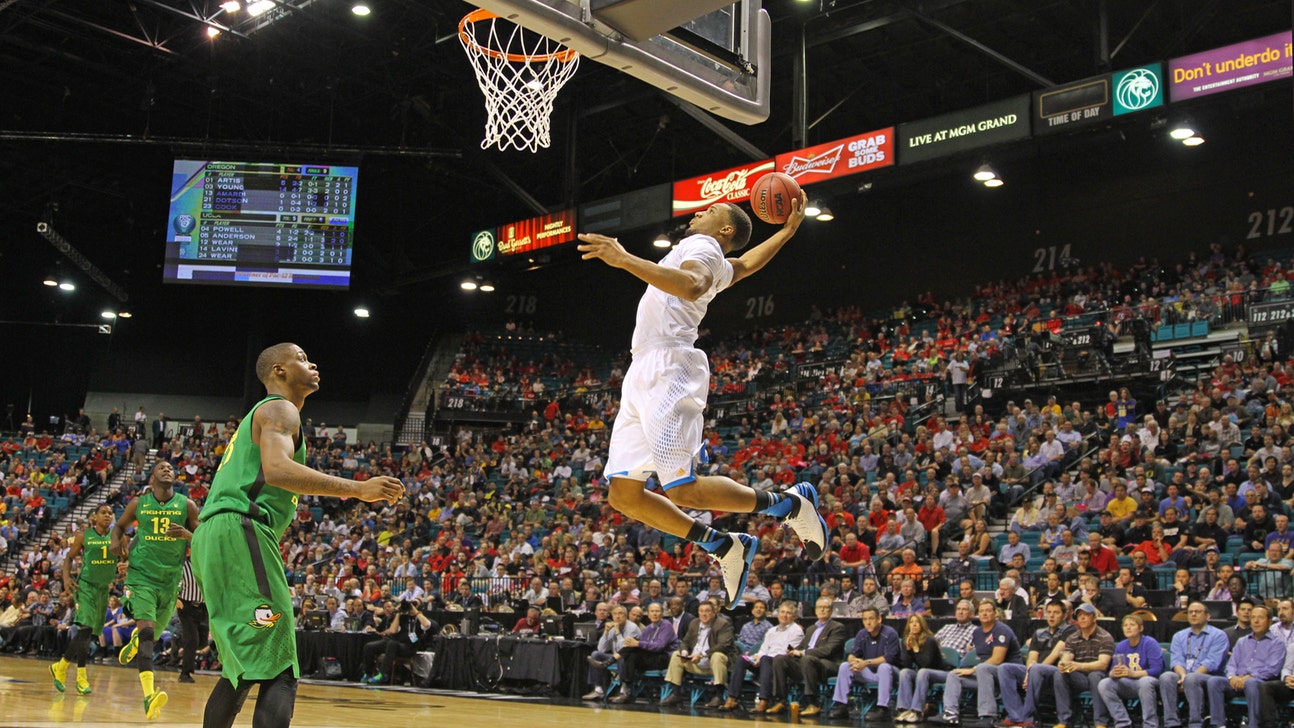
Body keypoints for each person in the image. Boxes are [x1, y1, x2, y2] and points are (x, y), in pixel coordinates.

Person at [576, 197, 829, 607]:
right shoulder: (712, 256)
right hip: (644, 368)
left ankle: (788, 504)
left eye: (709, 211)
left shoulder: (704, 248)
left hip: (669, 366)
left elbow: (693, 284)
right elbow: (746, 265)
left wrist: (623, 259)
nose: (697, 214)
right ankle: (722, 544)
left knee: (683, 489)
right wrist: (785, 232)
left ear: (724, 229)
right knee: (624, 495)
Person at [191, 343, 405, 728]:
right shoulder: (280, 408)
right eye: (302, 358)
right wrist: (357, 489)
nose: (313, 363)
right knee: (280, 667)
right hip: (241, 529)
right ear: (279, 371)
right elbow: (276, 469)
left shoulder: (264, 416)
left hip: (215, 535)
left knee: (241, 669)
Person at [110, 460, 201, 720]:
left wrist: (188, 535)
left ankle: (136, 642)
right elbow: (119, 527)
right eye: (161, 467)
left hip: (171, 579)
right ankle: (149, 696)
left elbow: (204, 537)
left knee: (153, 634)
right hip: (141, 576)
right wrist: (116, 542)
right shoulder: (139, 504)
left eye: (171, 468)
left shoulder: (187, 505)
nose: (167, 469)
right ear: (152, 477)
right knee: (149, 632)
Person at [49, 504, 117, 696]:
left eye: (110, 513)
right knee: (85, 628)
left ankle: (61, 667)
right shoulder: (83, 536)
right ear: (94, 517)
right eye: (103, 512)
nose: (107, 516)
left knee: (89, 634)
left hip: (103, 589)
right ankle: (79, 675)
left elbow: (124, 557)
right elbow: (68, 559)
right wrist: (66, 578)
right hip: (86, 586)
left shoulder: (116, 536)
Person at [934, 600, 1023, 725]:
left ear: (994, 613)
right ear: (977, 614)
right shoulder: (977, 633)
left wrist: (973, 669)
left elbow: (997, 659)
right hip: (985, 674)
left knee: (983, 669)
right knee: (954, 675)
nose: (985, 614)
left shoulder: (1002, 630)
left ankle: (989, 716)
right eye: (982, 611)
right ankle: (950, 713)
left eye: (988, 611)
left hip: (1007, 673)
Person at [1202, 605, 1285, 728]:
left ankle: (1254, 724)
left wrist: (1246, 678)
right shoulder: (1242, 641)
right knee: (1214, 681)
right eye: (1253, 618)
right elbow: (1231, 665)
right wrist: (1232, 677)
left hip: (1258, 682)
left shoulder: (1277, 643)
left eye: (1260, 618)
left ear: (1269, 621)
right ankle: (1219, 724)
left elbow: (1272, 670)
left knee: (1250, 682)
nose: (1255, 621)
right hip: (1236, 682)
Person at [767, 597, 847, 714]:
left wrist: (803, 652)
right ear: (815, 610)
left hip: (827, 664)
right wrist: (792, 652)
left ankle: (813, 703)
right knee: (780, 659)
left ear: (831, 610)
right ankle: (781, 701)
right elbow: (801, 647)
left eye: (826, 608)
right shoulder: (811, 629)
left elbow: (828, 650)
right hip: (807, 664)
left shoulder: (837, 627)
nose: (822, 610)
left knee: (807, 658)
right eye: (820, 607)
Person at [723, 601, 803, 712]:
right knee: (742, 659)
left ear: (794, 616)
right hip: (765, 661)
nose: (784, 615)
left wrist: (763, 657)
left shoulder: (796, 631)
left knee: (766, 659)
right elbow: (763, 649)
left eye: (788, 613)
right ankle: (732, 698)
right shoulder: (772, 631)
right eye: (782, 612)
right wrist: (757, 656)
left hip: (780, 664)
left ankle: (764, 700)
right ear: (778, 614)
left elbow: (787, 653)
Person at [1159, 602, 1230, 728]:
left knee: (1192, 679)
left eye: (1197, 611)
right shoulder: (1179, 636)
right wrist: (1182, 676)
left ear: (1208, 616)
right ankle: (1171, 722)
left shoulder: (1218, 635)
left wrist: (1187, 679)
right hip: (1184, 675)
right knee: (1166, 677)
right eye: (1190, 612)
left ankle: (1196, 723)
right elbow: (1176, 661)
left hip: (1210, 676)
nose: (1193, 614)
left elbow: (1212, 663)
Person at [826, 606, 900, 719]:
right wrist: (854, 662)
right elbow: (852, 654)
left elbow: (888, 658)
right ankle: (842, 706)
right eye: (865, 619)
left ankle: (883, 708)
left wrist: (865, 662)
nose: (868, 622)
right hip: (870, 673)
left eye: (871, 619)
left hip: (891, 673)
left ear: (879, 619)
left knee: (884, 667)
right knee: (845, 666)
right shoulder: (862, 634)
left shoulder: (890, 633)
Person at [1096, 614, 1164, 728]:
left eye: (1132, 625)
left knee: (1145, 681)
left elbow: (1157, 669)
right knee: (1104, 683)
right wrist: (1113, 673)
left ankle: (1150, 724)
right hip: (1129, 683)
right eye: (1125, 625)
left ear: (1141, 628)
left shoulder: (1150, 643)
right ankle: (1122, 722)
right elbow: (1113, 669)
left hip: (1149, 683)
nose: (1128, 628)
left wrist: (1133, 673)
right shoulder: (1121, 646)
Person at [660, 601, 732, 706]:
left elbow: (723, 645)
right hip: (695, 662)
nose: (704, 614)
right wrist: (684, 652)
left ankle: (719, 696)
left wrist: (702, 655)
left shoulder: (723, 624)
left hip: (713, 664)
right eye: (701, 611)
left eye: (707, 611)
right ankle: (676, 694)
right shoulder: (694, 623)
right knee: (676, 655)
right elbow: (685, 642)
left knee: (717, 656)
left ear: (714, 613)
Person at [893, 612, 953, 723]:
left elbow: (927, 664)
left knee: (923, 672)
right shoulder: (906, 640)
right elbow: (906, 665)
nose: (914, 625)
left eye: (917, 622)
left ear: (922, 625)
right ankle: (904, 709)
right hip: (924, 674)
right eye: (911, 622)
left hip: (943, 673)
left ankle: (917, 711)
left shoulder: (930, 640)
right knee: (905, 672)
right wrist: (908, 650)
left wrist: (916, 649)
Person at [615, 601, 679, 705]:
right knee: (631, 653)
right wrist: (636, 644)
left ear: (662, 614)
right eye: (652, 611)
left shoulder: (666, 625)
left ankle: (626, 688)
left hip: (665, 658)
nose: (655, 614)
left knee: (633, 650)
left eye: (657, 611)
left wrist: (638, 644)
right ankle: (627, 689)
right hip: (651, 657)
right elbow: (642, 647)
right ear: (648, 615)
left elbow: (659, 646)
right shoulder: (648, 628)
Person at [175, 556, 207, 683]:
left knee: (202, 641)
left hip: (203, 606)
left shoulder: (205, 562)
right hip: (185, 606)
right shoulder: (182, 564)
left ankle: (180, 653)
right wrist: (175, 598)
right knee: (192, 639)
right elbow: (173, 582)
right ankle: (185, 673)